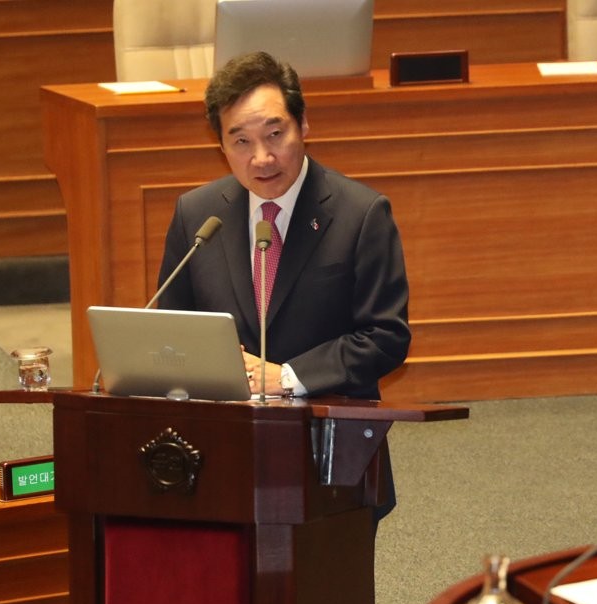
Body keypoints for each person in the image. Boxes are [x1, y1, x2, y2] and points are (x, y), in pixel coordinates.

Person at [156, 51, 410, 516]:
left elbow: (385, 337)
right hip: (217, 452)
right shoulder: (197, 214)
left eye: (275, 134)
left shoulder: (361, 214)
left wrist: (288, 378)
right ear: (221, 145)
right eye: (241, 141)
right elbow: (171, 328)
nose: (262, 157)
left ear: (303, 124)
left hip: (328, 452)